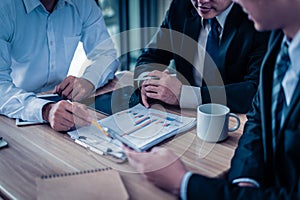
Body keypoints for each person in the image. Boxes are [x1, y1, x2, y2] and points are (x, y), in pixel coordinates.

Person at [124, 0, 300, 198]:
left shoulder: (261, 23)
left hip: (225, 130)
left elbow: (252, 91)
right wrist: (149, 83)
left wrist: (184, 183)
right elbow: (259, 115)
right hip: (188, 129)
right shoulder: (181, 7)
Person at [0, 0, 119, 131]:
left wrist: (89, 80)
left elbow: (106, 54)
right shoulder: (5, 8)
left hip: (62, 105)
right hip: (13, 109)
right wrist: (45, 110)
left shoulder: (83, 4)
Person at [134, 0, 270, 113]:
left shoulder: (257, 20)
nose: (201, 1)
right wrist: (148, 84)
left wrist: (186, 95)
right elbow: (149, 57)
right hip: (180, 115)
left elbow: (256, 90)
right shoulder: (181, 6)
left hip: (232, 120)